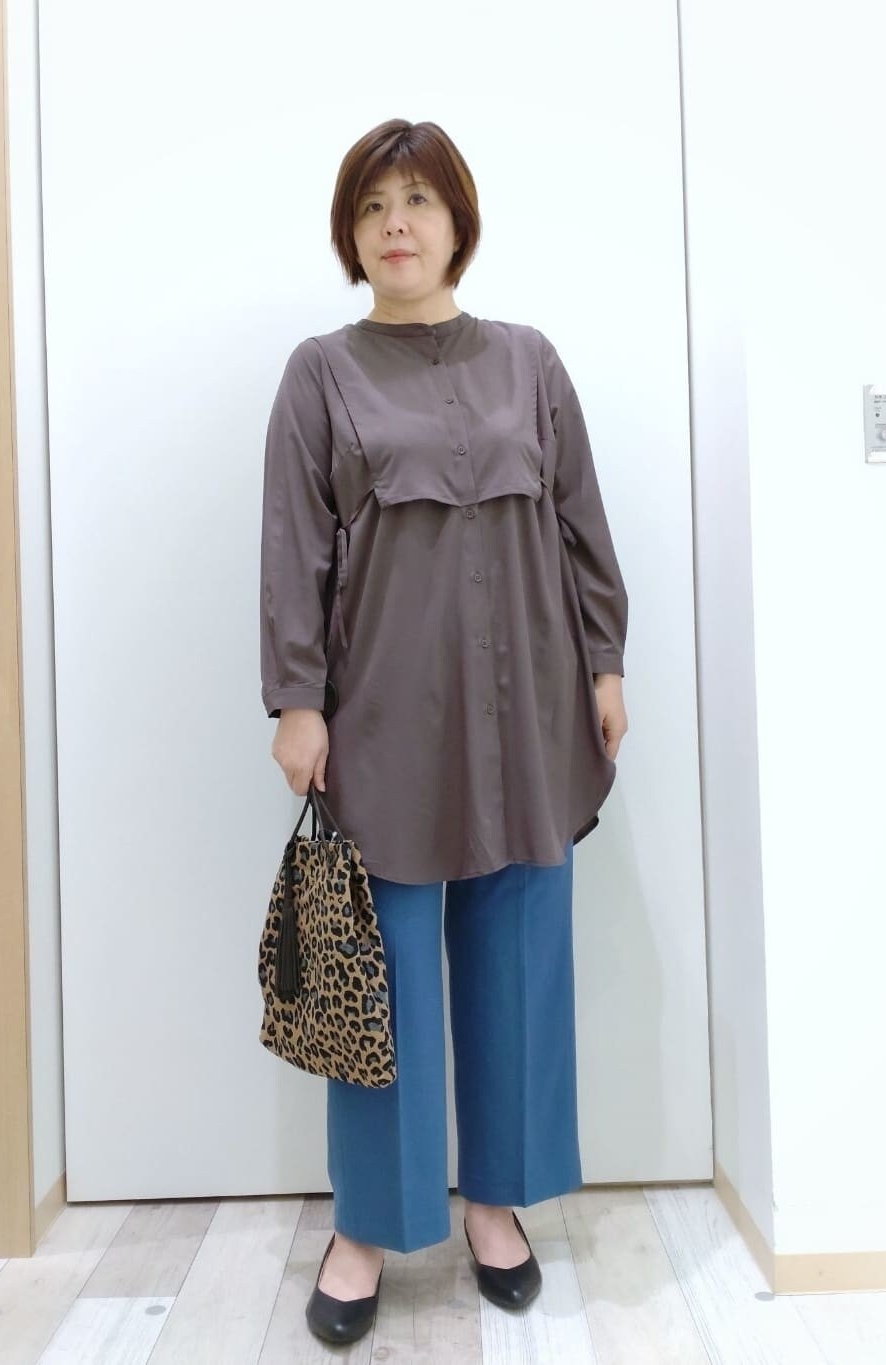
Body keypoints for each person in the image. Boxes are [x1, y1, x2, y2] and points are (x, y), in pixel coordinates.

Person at [259, 118, 629, 1346]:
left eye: (417, 201)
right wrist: (298, 699)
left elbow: (579, 520)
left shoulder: (530, 361)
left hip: (532, 712)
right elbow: (294, 550)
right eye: (372, 208)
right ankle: (366, 1226)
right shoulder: (322, 374)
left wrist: (605, 662)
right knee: (384, 982)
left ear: (458, 221)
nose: (396, 225)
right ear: (350, 235)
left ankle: (497, 1205)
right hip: (383, 718)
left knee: (518, 962)